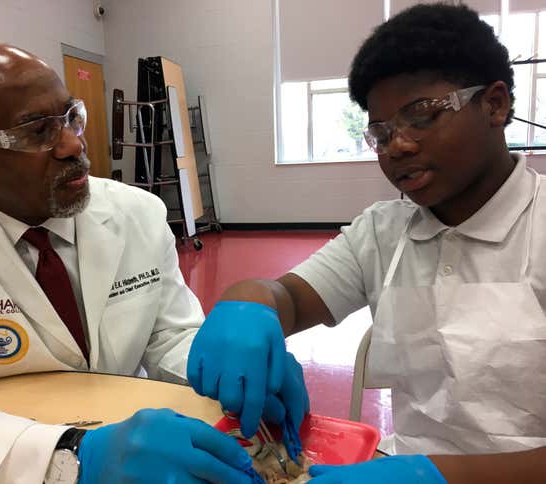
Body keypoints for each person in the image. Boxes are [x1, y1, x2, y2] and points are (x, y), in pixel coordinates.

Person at [187, 4, 546, 483]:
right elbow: (289, 297)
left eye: (421, 116)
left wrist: (427, 478)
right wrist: (246, 308)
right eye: (381, 131)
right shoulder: (385, 233)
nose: (397, 145)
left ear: (495, 105)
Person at [0, 41, 254, 483]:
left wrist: (224, 371)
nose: (73, 144)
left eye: (71, 116)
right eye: (36, 130)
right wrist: (66, 457)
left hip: (129, 445)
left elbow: (170, 335)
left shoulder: (137, 213)